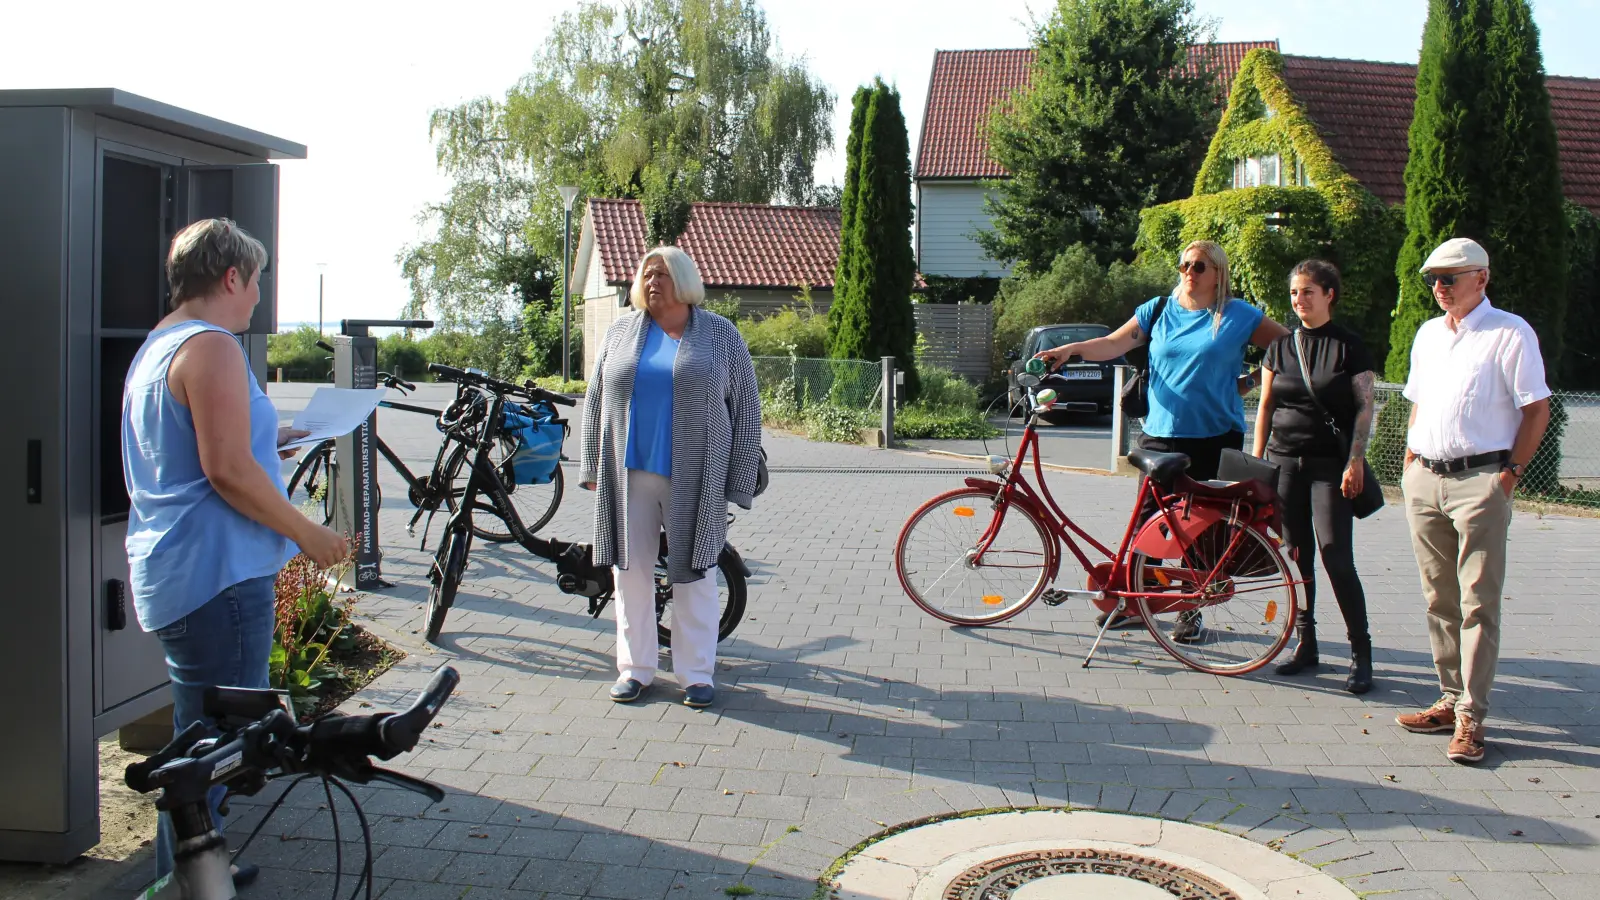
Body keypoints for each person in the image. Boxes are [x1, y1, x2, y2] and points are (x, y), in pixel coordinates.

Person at [123, 218, 349, 883]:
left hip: (178, 571)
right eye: (256, 283)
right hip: (218, 575)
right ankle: (188, 882)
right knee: (214, 751)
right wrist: (307, 533)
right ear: (231, 277)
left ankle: (200, 869)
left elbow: (200, 451)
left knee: (197, 743)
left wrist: (272, 438)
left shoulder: (161, 345)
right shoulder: (215, 346)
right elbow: (225, 470)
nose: (257, 298)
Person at [1036, 240, 1288, 637]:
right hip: (1160, 437)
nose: (1190, 271)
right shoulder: (1158, 310)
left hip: (1214, 437)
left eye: (1200, 266)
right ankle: (1135, 603)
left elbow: (1286, 346)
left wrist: (1250, 382)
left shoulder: (1239, 315)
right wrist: (1073, 349)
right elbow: (1114, 344)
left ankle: (1193, 611)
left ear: (1218, 273)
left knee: (1202, 529)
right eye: (1185, 264)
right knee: (1146, 526)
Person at [579, 246, 762, 709]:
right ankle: (635, 669)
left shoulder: (721, 335)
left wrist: (739, 478)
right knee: (631, 572)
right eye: (646, 274)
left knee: (695, 574)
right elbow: (597, 398)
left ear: (683, 281)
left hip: (697, 476)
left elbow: (745, 410)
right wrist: (591, 466)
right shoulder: (621, 332)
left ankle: (696, 674)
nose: (651, 280)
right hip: (629, 473)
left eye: (660, 273)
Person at [1393, 238, 1551, 764]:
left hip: (1481, 480)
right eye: (1432, 279)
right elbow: (1418, 403)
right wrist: (1410, 463)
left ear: (1481, 278)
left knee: (1478, 601)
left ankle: (1471, 717)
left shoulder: (1510, 332)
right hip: (1426, 479)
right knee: (1438, 598)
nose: (1439, 287)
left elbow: (1536, 410)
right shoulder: (1428, 335)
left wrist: (1510, 475)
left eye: (1450, 277)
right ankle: (1447, 695)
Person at [1251, 259, 1375, 693]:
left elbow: (1364, 407)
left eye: (1307, 291)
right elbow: (1266, 406)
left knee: (1336, 555)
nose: (1298, 300)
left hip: (1329, 467)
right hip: (1284, 462)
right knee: (1296, 557)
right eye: (1293, 293)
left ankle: (1361, 652)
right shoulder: (1279, 348)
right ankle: (1306, 644)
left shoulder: (1349, 346)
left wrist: (1355, 459)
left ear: (1328, 295)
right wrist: (1258, 462)